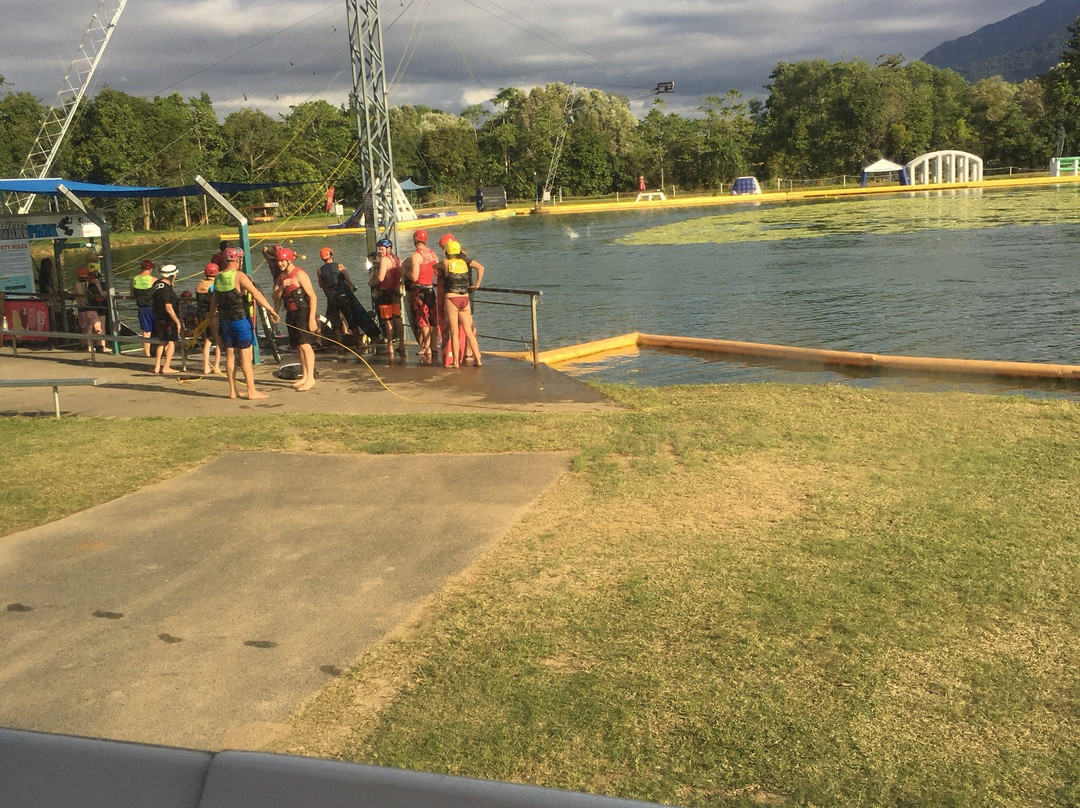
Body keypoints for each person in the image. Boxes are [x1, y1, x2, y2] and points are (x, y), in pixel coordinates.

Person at [209, 246, 279, 400]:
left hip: (226, 321)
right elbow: (256, 294)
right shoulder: (239, 276)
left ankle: (233, 391)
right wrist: (270, 309)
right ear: (238, 259)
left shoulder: (219, 276)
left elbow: (214, 299)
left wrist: (210, 314)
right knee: (246, 356)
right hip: (241, 321)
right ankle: (251, 391)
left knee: (230, 356)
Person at [273, 245, 319, 392]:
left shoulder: (299, 274)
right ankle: (305, 376)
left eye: (282, 261)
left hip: (302, 313)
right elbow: (276, 297)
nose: (279, 263)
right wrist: (281, 288)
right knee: (298, 346)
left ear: (289, 260)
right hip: (290, 314)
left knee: (305, 345)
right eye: (278, 261)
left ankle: (311, 377)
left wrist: (312, 318)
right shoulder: (281, 277)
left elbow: (312, 296)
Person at [437, 232, 484, 364]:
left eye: (443, 248)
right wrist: (476, 284)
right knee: (468, 329)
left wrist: (476, 285)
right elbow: (480, 268)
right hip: (465, 295)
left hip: (453, 296)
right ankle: (477, 359)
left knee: (455, 331)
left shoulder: (450, 261)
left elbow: (435, 267)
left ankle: (458, 360)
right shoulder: (463, 258)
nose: (443, 251)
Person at [405, 229, 439, 359]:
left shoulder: (416, 256)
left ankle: (427, 347)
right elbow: (435, 271)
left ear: (415, 240)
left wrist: (404, 271)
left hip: (419, 290)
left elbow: (414, 276)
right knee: (433, 319)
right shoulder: (432, 253)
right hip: (430, 289)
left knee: (423, 319)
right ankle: (434, 345)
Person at [316, 246, 358, 350]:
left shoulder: (319, 271)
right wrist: (351, 292)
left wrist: (329, 293)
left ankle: (340, 345)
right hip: (343, 296)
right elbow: (348, 282)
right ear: (332, 255)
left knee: (335, 321)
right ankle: (359, 342)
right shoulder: (340, 266)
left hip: (331, 298)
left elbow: (321, 285)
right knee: (350, 318)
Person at [371, 237, 404, 361]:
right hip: (395, 292)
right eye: (379, 249)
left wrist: (372, 284)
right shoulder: (397, 259)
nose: (380, 251)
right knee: (397, 318)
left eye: (382, 249)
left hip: (385, 293)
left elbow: (380, 278)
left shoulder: (385, 260)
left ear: (388, 248)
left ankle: (390, 346)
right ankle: (401, 344)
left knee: (388, 320)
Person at [151, 264, 183, 375]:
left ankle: (157, 366)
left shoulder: (156, 284)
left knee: (161, 343)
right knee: (171, 342)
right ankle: (166, 366)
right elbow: (168, 307)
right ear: (171, 276)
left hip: (158, 317)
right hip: (168, 319)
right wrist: (177, 321)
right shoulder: (167, 291)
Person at [72, 264, 106, 353]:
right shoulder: (90, 285)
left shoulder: (75, 285)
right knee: (98, 328)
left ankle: (85, 346)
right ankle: (99, 345)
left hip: (81, 311)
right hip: (92, 310)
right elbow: (99, 297)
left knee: (84, 330)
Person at [195, 262, 221, 375]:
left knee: (207, 341)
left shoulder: (199, 284)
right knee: (219, 341)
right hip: (212, 315)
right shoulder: (213, 285)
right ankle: (216, 367)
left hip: (201, 315)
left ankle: (205, 367)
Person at [131, 259, 156, 357]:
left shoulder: (135, 279)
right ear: (151, 268)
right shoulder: (153, 279)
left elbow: (132, 294)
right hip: (153, 307)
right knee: (159, 329)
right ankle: (160, 352)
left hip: (141, 308)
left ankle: (147, 354)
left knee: (146, 332)